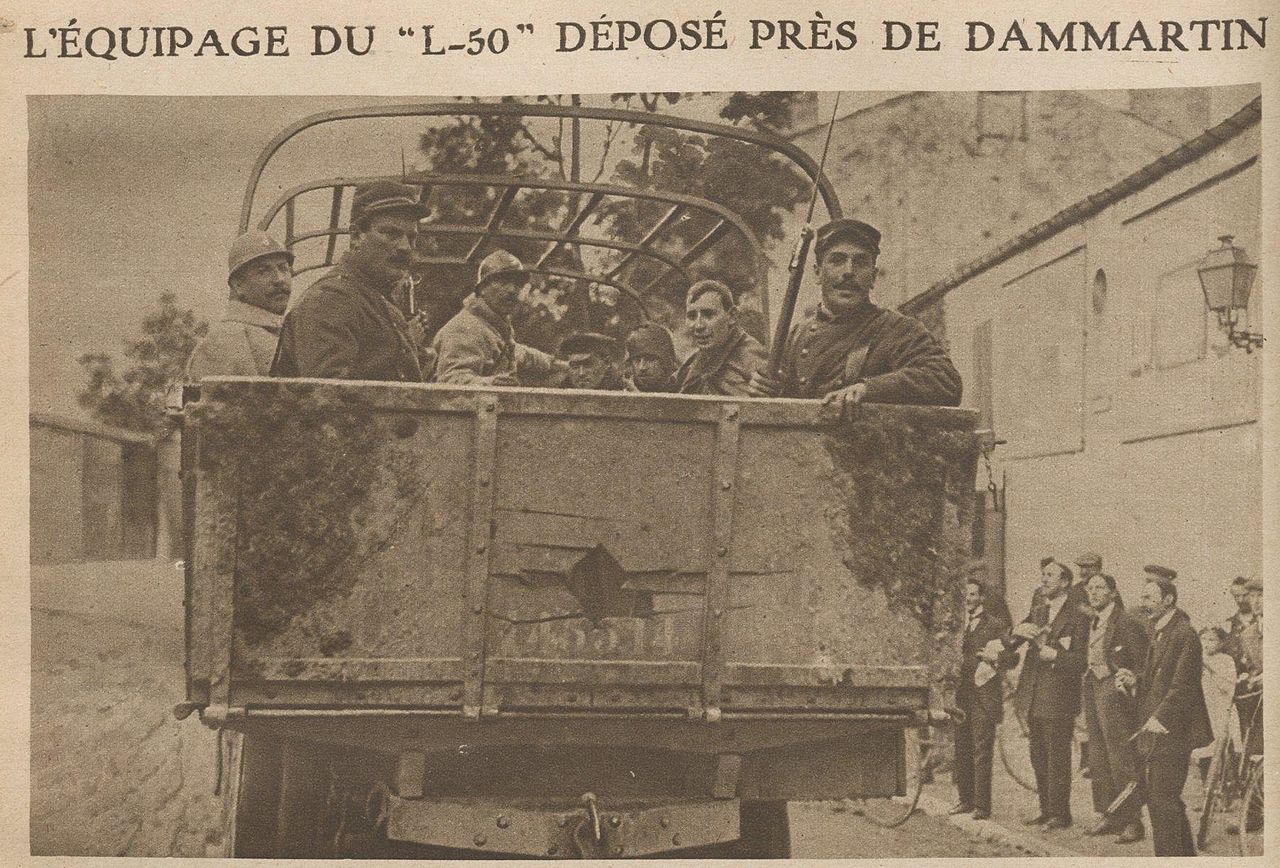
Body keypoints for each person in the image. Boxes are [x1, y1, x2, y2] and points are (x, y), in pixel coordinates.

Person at [747, 218, 962, 408]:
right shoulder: (797, 336)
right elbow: (784, 404)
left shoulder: (898, 329)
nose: (849, 272)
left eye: (860, 262)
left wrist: (867, 389)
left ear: (873, 276)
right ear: (818, 273)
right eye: (837, 260)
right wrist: (765, 388)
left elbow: (945, 380)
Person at [271, 182, 431, 381]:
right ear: (356, 236)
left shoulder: (380, 302)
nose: (405, 247)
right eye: (392, 234)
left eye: (412, 237)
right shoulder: (330, 300)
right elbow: (328, 400)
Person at [1115, 576, 1214, 857]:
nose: (1143, 604)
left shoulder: (1185, 634)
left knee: (1162, 799)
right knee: (1165, 800)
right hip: (1157, 727)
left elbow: (1183, 686)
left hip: (1173, 730)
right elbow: (1157, 677)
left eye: (1149, 598)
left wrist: (1159, 718)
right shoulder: (1159, 630)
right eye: (1143, 598)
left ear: (1168, 599)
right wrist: (1134, 679)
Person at [1002, 558, 1089, 829]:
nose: (1044, 579)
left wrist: (1055, 656)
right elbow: (1011, 640)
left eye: (1051, 575)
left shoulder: (1078, 616)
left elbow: (1081, 660)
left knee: (1058, 756)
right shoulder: (1039, 610)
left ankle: (1061, 814)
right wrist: (1015, 632)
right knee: (1037, 754)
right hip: (1034, 693)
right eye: (1043, 574)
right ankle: (1045, 809)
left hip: (1059, 695)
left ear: (1065, 582)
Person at [1080, 573, 1149, 843]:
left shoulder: (1125, 621)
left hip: (1114, 690)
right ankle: (1109, 814)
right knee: (1098, 755)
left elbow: (1142, 661)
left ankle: (1133, 820)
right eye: (1090, 588)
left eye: (1100, 588)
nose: (1094, 593)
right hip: (1092, 686)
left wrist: (1127, 677)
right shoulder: (1092, 620)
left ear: (1112, 592)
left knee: (1120, 755)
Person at [431, 249, 564, 386]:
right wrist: (491, 383)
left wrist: (557, 364)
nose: (512, 290)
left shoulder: (493, 327)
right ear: (482, 289)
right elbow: (450, 381)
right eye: (503, 282)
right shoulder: (465, 327)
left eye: (517, 284)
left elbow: (519, 353)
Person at [188, 231, 294, 379]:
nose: (279, 279)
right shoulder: (227, 337)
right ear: (238, 285)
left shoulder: (286, 330)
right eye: (263, 272)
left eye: (283, 268)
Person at [951, 575, 1010, 821]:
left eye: (973, 594)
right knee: (962, 748)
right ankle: (965, 800)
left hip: (984, 695)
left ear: (982, 598)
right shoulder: (955, 625)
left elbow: (1011, 657)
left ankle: (982, 806)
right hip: (960, 695)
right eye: (966, 594)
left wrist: (994, 658)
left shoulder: (994, 625)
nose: (969, 598)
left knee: (981, 750)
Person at [672, 279, 767, 397]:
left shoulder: (751, 357)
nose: (699, 325)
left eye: (708, 314)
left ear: (732, 316)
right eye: (692, 316)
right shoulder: (698, 358)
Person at [559, 332, 630, 391]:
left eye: (588, 365)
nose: (581, 373)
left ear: (606, 363)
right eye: (575, 366)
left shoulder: (624, 391)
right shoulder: (560, 391)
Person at [624, 322, 678, 392]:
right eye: (637, 360)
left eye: (650, 359)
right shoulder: (623, 395)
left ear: (666, 362)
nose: (642, 367)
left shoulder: (683, 392)